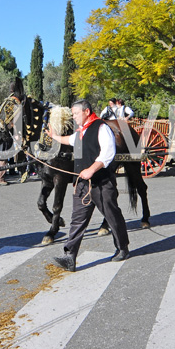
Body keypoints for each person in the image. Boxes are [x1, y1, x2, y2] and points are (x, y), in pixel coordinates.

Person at [48, 99, 130, 272]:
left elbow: (108, 153)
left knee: (112, 215)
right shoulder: (80, 132)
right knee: (77, 220)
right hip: (82, 185)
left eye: (76, 114)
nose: (74, 117)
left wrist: (91, 170)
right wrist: (54, 137)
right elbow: (70, 140)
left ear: (86, 112)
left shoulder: (101, 128)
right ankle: (70, 256)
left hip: (102, 183)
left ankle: (122, 247)